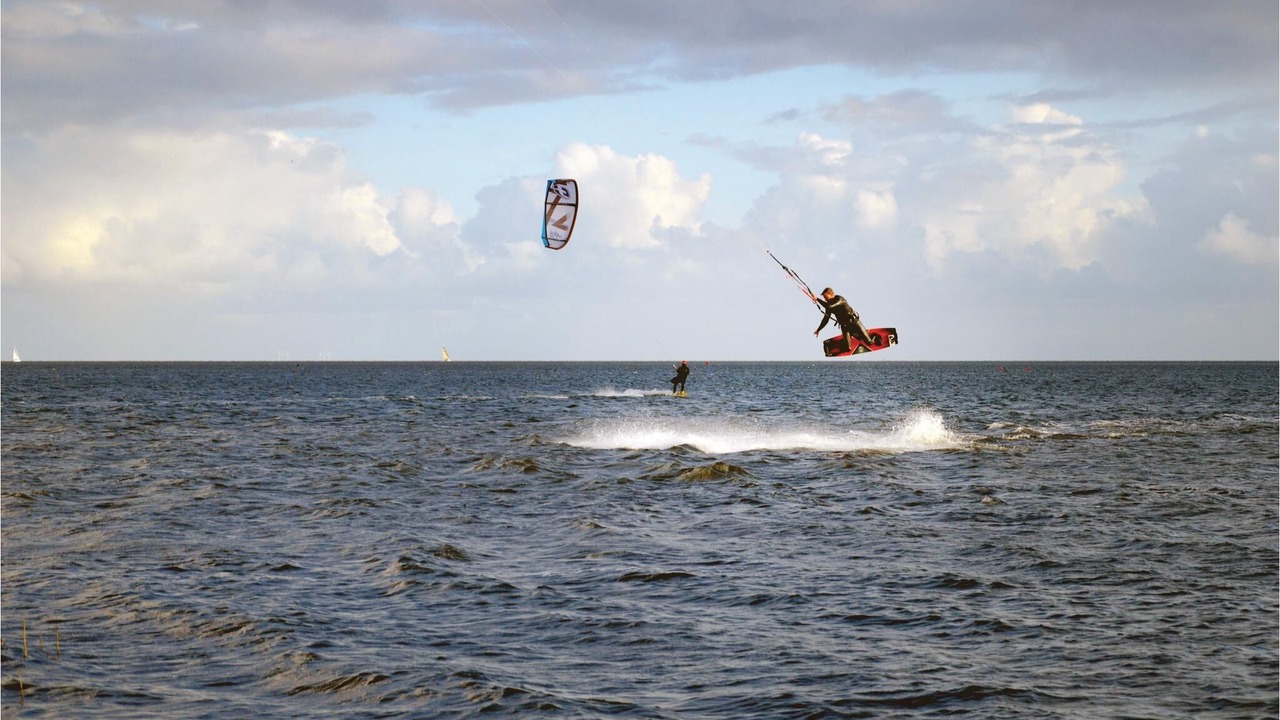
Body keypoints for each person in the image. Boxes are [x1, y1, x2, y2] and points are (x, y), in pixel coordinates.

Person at [813, 287, 873, 352]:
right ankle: (848, 338)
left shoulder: (839, 299)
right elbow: (825, 319)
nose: (825, 299)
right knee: (848, 349)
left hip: (854, 322)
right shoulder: (829, 306)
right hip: (845, 327)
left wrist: (817, 299)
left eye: (826, 297)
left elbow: (829, 306)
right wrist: (818, 330)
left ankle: (856, 334)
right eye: (824, 298)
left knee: (869, 342)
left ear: (831, 294)